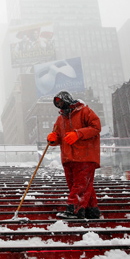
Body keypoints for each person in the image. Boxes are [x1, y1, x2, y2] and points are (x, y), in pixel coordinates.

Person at [47, 90, 101, 219]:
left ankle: (74, 209)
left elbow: (96, 127)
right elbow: (57, 138)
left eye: (61, 102)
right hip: (68, 158)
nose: (60, 105)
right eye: (57, 103)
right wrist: (52, 139)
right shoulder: (60, 119)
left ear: (67, 99)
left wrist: (78, 134)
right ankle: (91, 210)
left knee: (80, 185)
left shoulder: (85, 111)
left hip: (85, 156)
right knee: (79, 185)